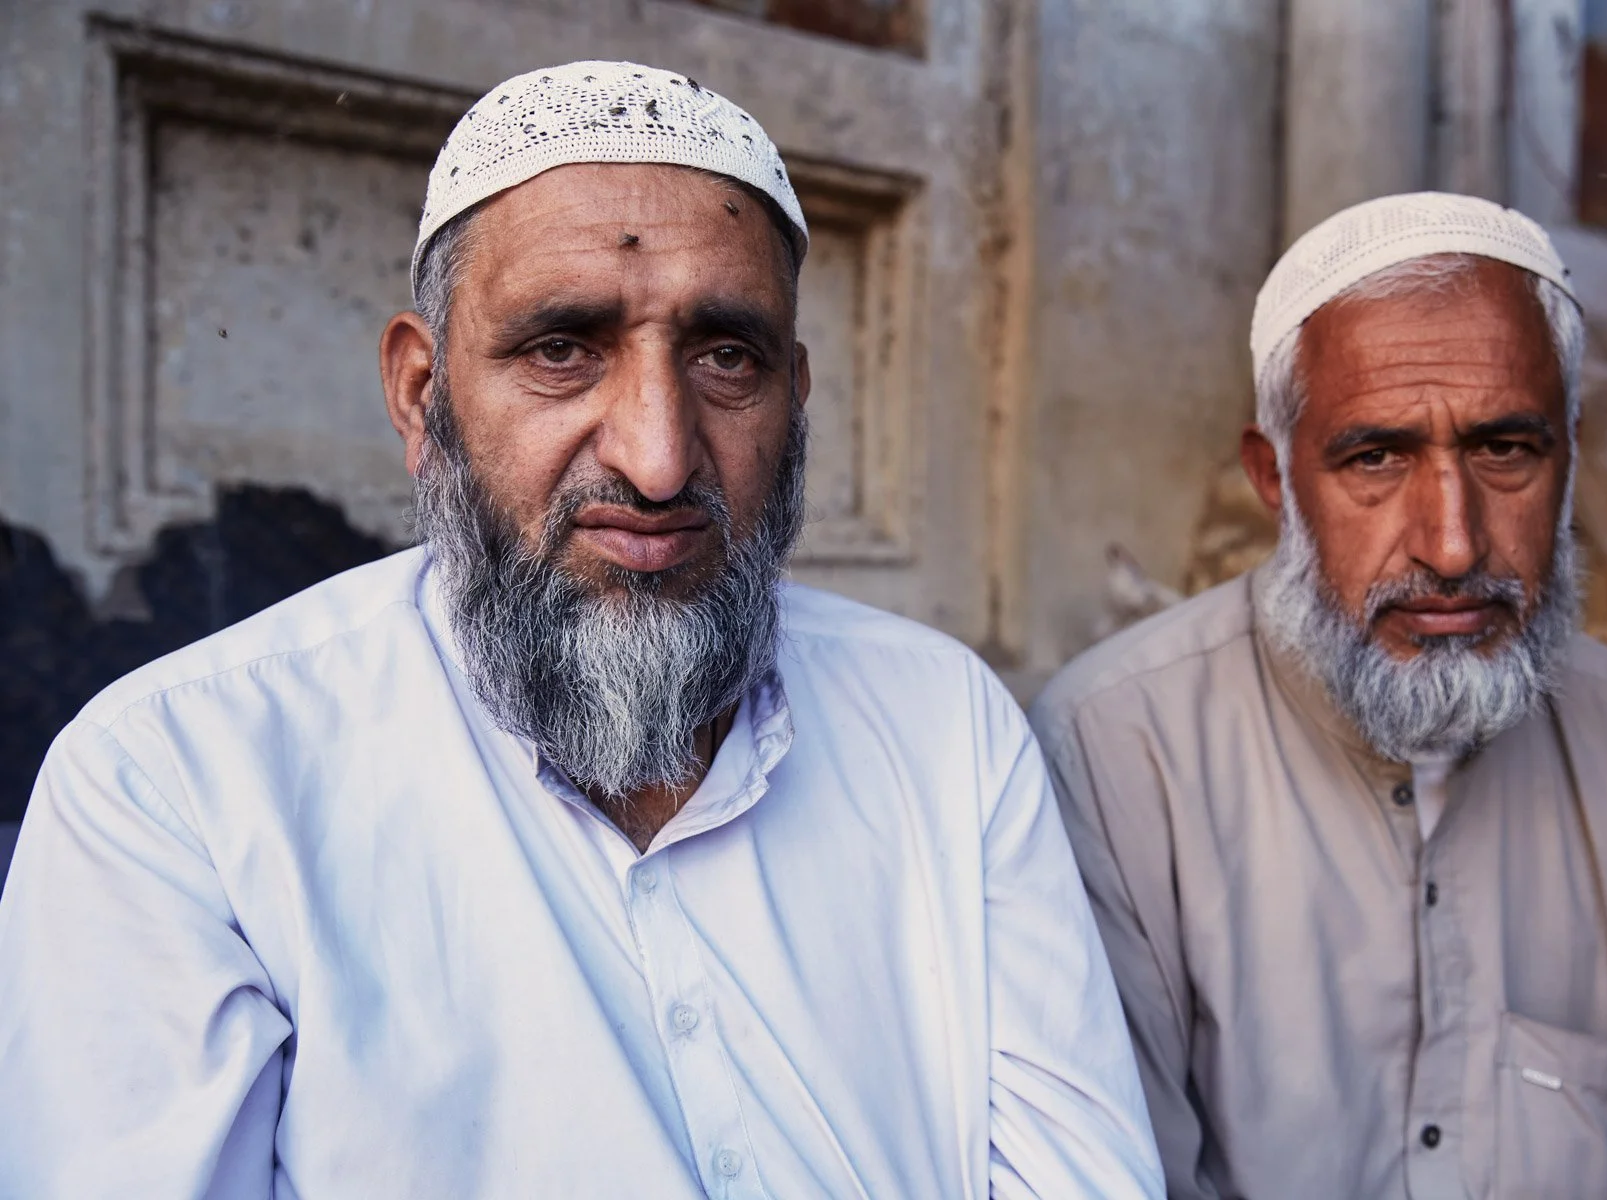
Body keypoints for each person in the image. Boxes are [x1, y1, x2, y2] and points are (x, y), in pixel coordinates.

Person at [0, 62, 1162, 1198]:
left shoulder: (945, 723)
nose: (658, 457)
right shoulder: (176, 785)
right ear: (421, 393)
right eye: (562, 349)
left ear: (794, 396)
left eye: (725, 358)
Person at [1030, 192, 1607, 1199]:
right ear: (1274, 478)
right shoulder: (1115, 753)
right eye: (1376, 457)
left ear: (1570, 459)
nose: (1452, 543)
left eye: (1505, 450)